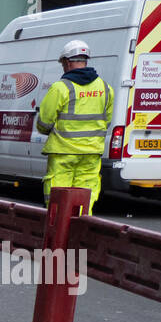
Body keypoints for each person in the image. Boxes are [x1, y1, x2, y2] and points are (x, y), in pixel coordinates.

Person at [36, 39, 113, 212]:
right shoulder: (106, 89)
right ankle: (80, 231)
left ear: (67, 62)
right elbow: (105, 121)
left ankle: (58, 233)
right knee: (85, 196)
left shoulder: (60, 88)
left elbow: (44, 123)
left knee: (58, 197)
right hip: (91, 153)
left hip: (63, 153)